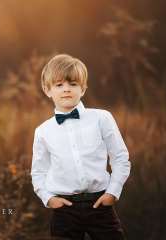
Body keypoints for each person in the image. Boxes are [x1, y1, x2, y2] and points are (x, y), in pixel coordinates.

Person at [30, 54, 131, 239]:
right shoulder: (43, 131)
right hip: (64, 209)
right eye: (59, 85)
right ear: (47, 90)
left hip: (100, 204)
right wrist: (48, 198)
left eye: (73, 84)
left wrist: (113, 192)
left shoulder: (102, 118)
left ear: (83, 89)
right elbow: (38, 172)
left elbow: (120, 158)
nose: (66, 89)